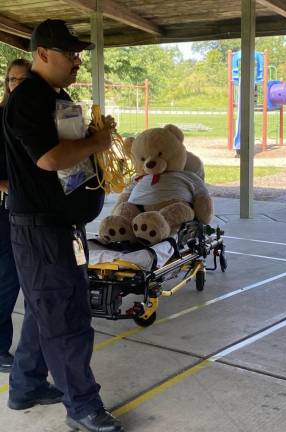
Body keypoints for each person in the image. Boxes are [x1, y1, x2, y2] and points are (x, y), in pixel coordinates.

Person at [3, 19, 124, 432]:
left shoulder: (56, 96)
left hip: (61, 227)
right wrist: (96, 144)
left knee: (45, 313)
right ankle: (84, 406)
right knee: (65, 318)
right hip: (41, 230)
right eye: (69, 53)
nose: (76, 60)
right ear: (43, 54)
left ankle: (25, 386)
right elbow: (49, 159)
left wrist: (90, 138)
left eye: (77, 53)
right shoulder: (27, 99)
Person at [0, 58, 31, 372]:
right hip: (4, 211)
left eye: (24, 80)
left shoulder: (36, 118)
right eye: (12, 79)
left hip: (33, 210)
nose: (17, 85)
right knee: (7, 280)